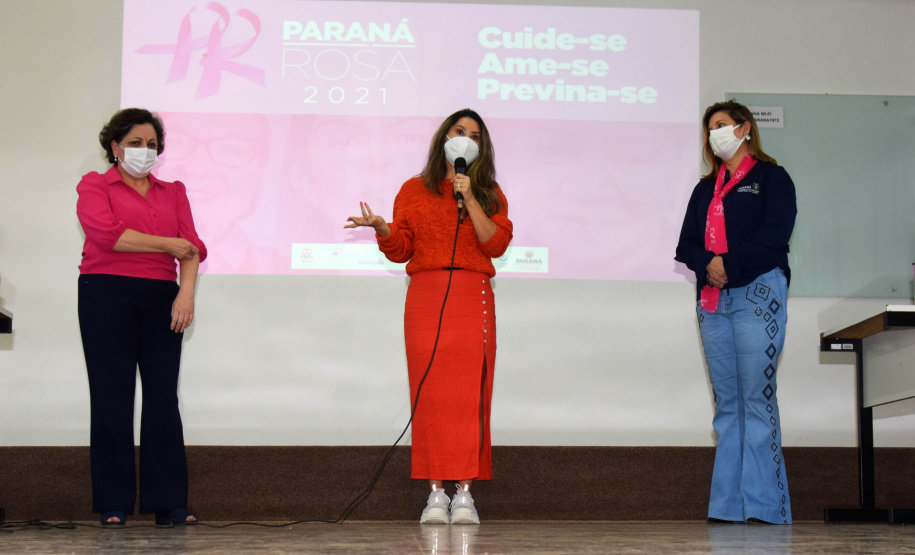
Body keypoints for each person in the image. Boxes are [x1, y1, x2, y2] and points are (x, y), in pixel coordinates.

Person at [345, 108, 513, 524]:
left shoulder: (489, 192)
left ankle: (465, 494)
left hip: (472, 296)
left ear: (482, 148)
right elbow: (402, 248)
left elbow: (495, 244)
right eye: (459, 131)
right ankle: (436, 493)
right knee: (431, 397)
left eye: (475, 135)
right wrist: (383, 229)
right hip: (426, 296)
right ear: (444, 138)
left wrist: (469, 197)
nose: (467, 139)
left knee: (469, 398)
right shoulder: (413, 189)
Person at [76, 108, 207, 525]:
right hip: (105, 293)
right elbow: (107, 235)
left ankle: (168, 503)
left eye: (151, 144)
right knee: (111, 396)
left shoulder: (173, 191)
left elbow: (193, 248)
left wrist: (185, 295)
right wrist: (169, 244)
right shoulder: (95, 185)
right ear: (115, 148)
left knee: (163, 397)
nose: (144, 151)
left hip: (162, 297)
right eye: (135, 143)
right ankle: (113, 503)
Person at [675, 100, 797, 524]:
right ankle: (728, 507)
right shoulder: (704, 190)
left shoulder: (772, 178)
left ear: (745, 129)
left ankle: (766, 507)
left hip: (757, 294)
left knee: (756, 399)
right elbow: (685, 245)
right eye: (710, 128)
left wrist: (728, 262)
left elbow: (775, 234)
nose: (715, 134)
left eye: (722, 125)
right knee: (727, 404)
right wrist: (708, 263)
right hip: (713, 301)